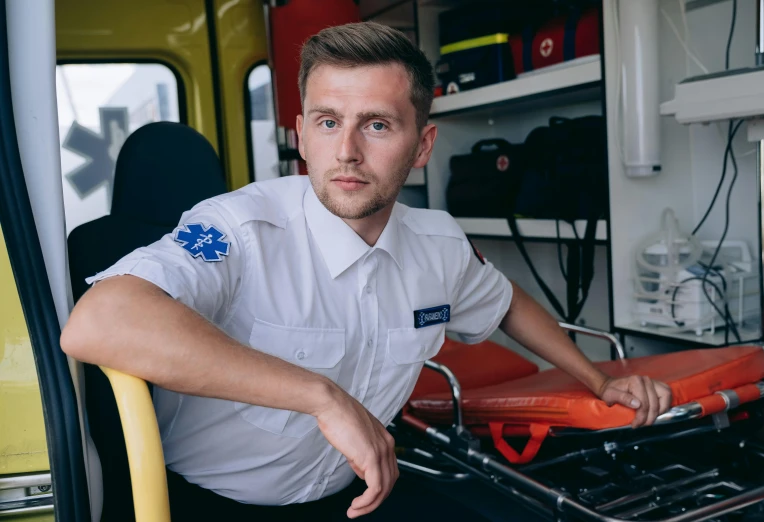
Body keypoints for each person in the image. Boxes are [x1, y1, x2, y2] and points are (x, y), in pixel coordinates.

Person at [61, 21, 672, 521]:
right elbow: (99, 322)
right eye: (328, 122)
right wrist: (323, 398)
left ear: (423, 145)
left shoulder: (438, 243)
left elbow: (505, 300)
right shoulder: (239, 228)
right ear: (301, 136)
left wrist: (595, 379)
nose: (347, 151)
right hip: (212, 504)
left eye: (377, 124)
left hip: (356, 495)